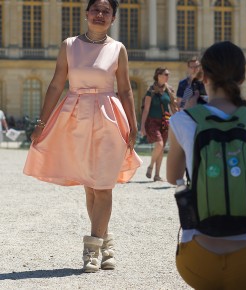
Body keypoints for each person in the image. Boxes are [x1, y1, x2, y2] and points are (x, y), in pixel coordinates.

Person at [23, 0, 142, 273]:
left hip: (109, 118)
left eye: (106, 11)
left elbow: (125, 90)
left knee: (103, 186)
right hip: (76, 118)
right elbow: (56, 84)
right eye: (96, 10)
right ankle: (106, 244)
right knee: (90, 185)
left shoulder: (118, 49)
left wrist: (133, 126)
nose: (100, 15)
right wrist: (41, 123)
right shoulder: (69, 45)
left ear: (113, 18)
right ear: (87, 13)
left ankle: (92, 250)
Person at [167, 41, 246, 290]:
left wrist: (188, 112)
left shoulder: (182, 121)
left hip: (197, 257)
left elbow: (172, 176)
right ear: (242, 78)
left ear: (204, 76)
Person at [140, 67, 177, 182]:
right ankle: (150, 166)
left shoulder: (169, 90)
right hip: (152, 121)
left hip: (165, 121)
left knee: (161, 149)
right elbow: (146, 109)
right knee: (159, 144)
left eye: (168, 74)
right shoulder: (150, 91)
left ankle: (157, 175)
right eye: (165, 74)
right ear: (158, 75)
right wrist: (142, 126)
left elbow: (173, 108)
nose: (167, 77)